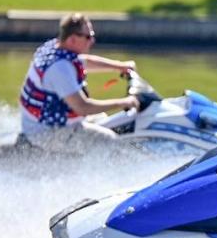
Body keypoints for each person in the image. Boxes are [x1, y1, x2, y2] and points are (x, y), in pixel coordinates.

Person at [19, 13, 139, 153]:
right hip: (46, 133)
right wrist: (124, 102)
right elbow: (83, 107)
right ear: (72, 39)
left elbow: (83, 61)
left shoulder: (55, 47)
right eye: (88, 37)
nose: (92, 40)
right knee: (110, 141)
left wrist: (120, 66)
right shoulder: (59, 69)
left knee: (108, 121)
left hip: (46, 124)